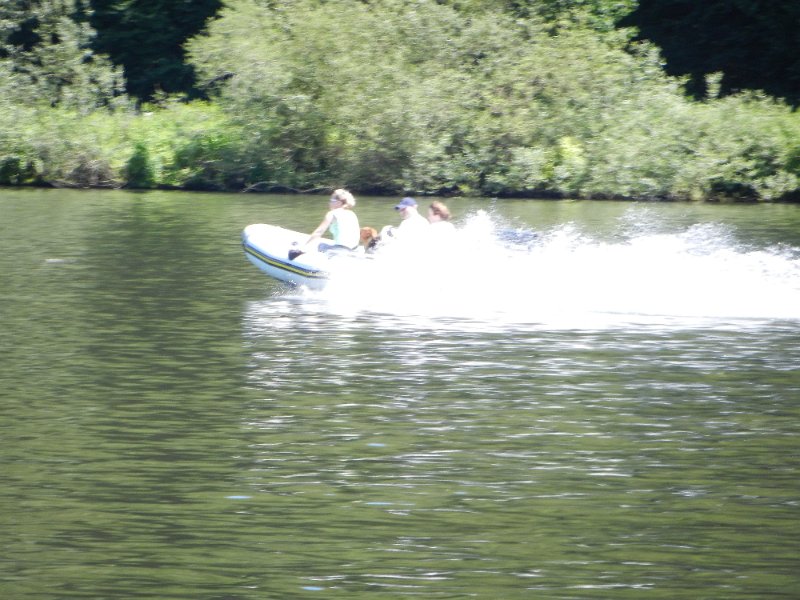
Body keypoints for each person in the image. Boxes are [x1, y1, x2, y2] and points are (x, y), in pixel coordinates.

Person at [291, 189, 360, 259]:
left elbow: (319, 232)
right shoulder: (352, 213)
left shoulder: (332, 213)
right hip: (354, 250)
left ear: (339, 202)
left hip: (340, 251)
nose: (329, 203)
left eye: (332, 201)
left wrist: (303, 249)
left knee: (319, 245)